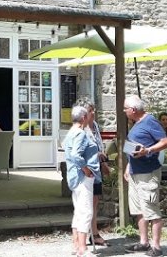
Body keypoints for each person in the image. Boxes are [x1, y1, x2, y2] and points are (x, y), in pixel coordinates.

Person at [123, 95, 167, 257]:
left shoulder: (150, 122)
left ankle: (156, 247)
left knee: (151, 209)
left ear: (133, 110)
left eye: (125, 109)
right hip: (136, 172)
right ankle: (144, 242)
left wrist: (148, 151)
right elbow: (133, 146)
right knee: (138, 210)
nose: (124, 111)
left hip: (148, 173)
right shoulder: (136, 123)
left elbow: (164, 142)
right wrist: (129, 165)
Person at [63, 105, 100, 257]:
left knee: (78, 211)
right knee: (85, 211)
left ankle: (76, 245)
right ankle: (82, 249)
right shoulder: (80, 133)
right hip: (82, 177)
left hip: (73, 176)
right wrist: (86, 169)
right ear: (84, 118)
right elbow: (75, 155)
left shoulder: (70, 132)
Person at [77, 99, 109, 249]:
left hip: (96, 171)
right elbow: (78, 153)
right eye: (91, 110)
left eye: (94, 110)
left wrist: (104, 163)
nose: (94, 113)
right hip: (86, 172)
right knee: (86, 204)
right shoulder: (80, 130)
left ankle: (93, 233)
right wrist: (96, 156)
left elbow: (99, 146)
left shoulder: (95, 126)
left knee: (94, 202)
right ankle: (86, 236)